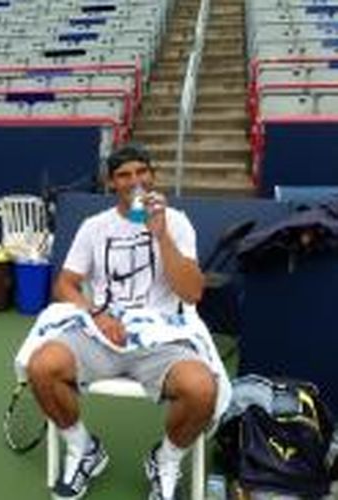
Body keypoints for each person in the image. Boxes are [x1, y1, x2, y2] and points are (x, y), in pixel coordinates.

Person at [14, 143, 232, 500]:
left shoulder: (177, 223)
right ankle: (84, 449)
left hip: (160, 337)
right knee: (42, 367)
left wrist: (160, 235)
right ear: (111, 183)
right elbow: (64, 284)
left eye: (141, 172)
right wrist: (97, 314)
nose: (134, 181)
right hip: (102, 333)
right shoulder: (94, 226)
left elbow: (192, 293)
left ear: (153, 176)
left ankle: (165, 459)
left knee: (201, 389)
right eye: (124, 175)